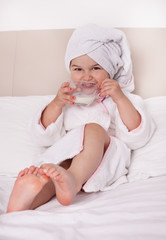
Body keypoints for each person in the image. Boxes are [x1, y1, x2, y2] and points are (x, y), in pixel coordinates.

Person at [7, 24, 155, 213]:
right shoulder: (68, 99)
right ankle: (22, 205)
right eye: (78, 69)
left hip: (106, 157)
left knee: (93, 129)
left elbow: (137, 136)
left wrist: (119, 98)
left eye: (95, 68)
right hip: (70, 156)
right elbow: (42, 135)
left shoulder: (123, 98)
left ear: (110, 70)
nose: (86, 76)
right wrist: (57, 104)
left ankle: (73, 182)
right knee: (52, 172)